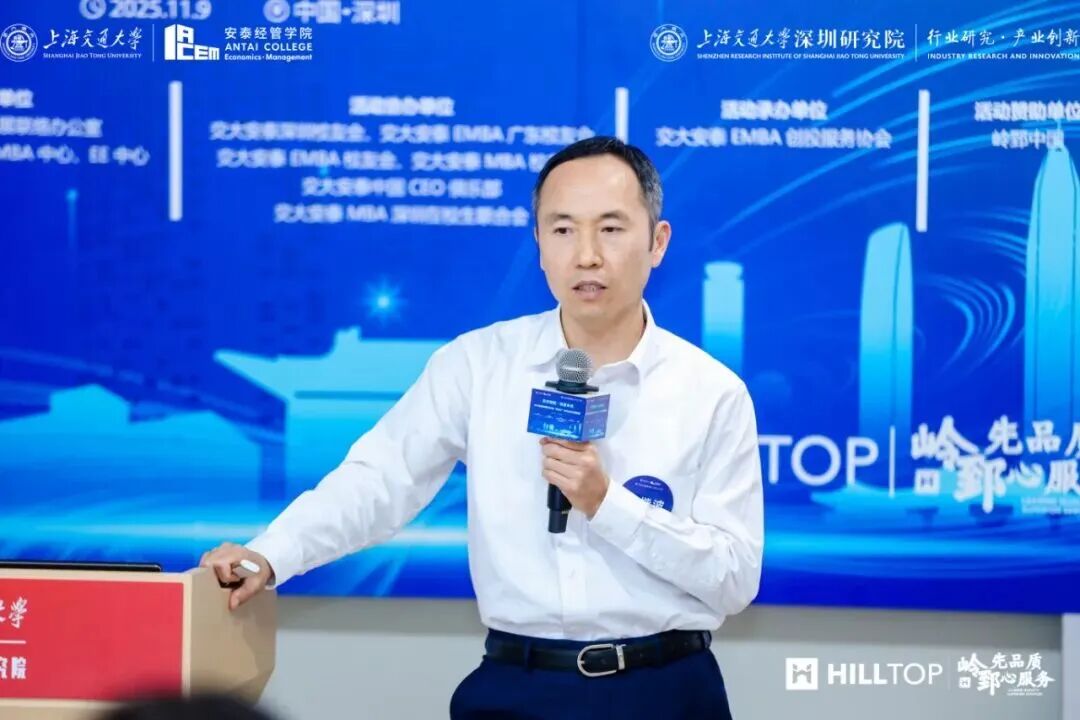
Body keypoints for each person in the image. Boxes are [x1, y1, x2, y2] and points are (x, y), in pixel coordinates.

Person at [201, 136, 764, 719]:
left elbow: (734, 579)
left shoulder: (710, 392)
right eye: (563, 229)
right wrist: (269, 556)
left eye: (611, 229)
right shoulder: (478, 365)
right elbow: (379, 481)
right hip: (516, 687)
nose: (587, 255)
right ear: (539, 244)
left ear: (657, 242)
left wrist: (608, 505)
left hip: (665, 689)